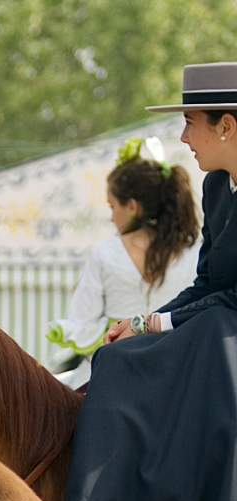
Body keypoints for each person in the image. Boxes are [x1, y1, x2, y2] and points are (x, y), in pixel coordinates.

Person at [62, 62, 237, 501]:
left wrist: (158, 327)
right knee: (113, 358)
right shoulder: (218, 190)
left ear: (226, 125)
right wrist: (143, 322)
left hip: (223, 332)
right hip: (216, 324)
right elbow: (208, 283)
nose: (183, 137)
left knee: (203, 340)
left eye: (191, 122)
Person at [45, 136, 200, 388]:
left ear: (132, 207)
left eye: (111, 206)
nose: (111, 217)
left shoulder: (106, 252)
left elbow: (81, 321)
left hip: (116, 375)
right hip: (178, 377)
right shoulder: (195, 252)